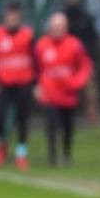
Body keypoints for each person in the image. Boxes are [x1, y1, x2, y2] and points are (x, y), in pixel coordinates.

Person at [34, 13, 93, 166]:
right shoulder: (41, 45)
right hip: (49, 94)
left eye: (60, 27)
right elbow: (36, 68)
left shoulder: (74, 45)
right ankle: (52, 156)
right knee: (51, 124)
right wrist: (38, 86)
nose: (57, 30)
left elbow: (85, 66)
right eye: (54, 27)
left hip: (68, 94)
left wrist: (77, 82)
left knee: (67, 126)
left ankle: (66, 154)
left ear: (65, 28)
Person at [0, 0, 35, 171]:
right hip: (3, 85)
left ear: (19, 17)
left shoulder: (28, 35)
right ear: (6, 17)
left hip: (23, 84)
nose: (12, 19)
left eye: (15, 16)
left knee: (22, 120)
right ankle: (2, 144)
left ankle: (21, 154)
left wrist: (36, 84)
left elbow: (35, 60)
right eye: (10, 16)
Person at [63, 0, 100, 125]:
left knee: (90, 92)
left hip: (85, 60)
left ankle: (93, 120)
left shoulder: (86, 18)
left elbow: (93, 40)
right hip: (67, 61)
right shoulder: (64, 18)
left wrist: (90, 57)